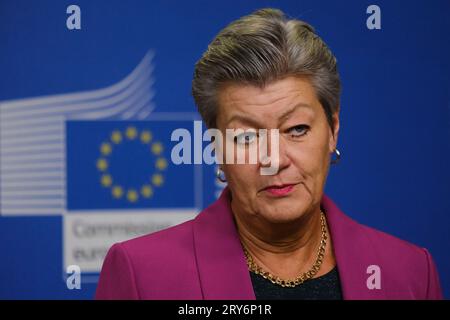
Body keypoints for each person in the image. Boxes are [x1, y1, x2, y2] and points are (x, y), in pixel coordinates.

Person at [95, 8, 442, 300]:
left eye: (297, 130)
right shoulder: (142, 275)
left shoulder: (409, 273)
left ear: (333, 130)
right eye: (246, 137)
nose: (274, 159)